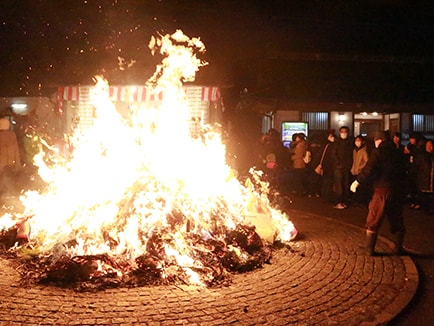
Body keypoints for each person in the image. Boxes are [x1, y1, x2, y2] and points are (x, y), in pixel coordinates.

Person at [350, 130, 408, 256]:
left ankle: (369, 249)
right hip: (396, 190)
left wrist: (357, 181)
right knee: (396, 218)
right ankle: (399, 248)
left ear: (379, 140)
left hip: (381, 189)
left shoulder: (378, 152)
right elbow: (404, 171)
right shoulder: (398, 152)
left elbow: (369, 168)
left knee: (374, 217)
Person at [331, 126, 354, 209]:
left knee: (345, 185)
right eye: (342, 132)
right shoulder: (337, 143)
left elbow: (351, 156)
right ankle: (338, 201)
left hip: (347, 167)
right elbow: (333, 155)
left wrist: (350, 165)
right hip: (338, 168)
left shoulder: (350, 143)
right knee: (338, 186)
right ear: (340, 133)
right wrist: (338, 163)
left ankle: (344, 201)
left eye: (345, 132)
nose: (344, 133)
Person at [0, 118, 22, 196]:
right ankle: (9, 198)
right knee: (9, 182)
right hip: (10, 164)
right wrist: (18, 165)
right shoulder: (12, 135)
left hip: (1, 165)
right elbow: (16, 151)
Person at [413, 139, 434, 214]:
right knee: (425, 195)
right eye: (427, 146)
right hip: (424, 179)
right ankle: (426, 208)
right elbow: (417, 167)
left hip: (431, 179)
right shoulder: (422, 156)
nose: (429, 147)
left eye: (430, 145)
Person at [350, 135, 369, 206]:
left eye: (359, 140)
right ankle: (355, 200)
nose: (357, 142)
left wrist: (360, 168)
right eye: (356, 140)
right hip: (354, 171)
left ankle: (360, 201)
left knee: (360, 188)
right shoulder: (354, 150)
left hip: (360, 172)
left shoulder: (364, 151)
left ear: (363, 142)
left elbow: (367, 162)